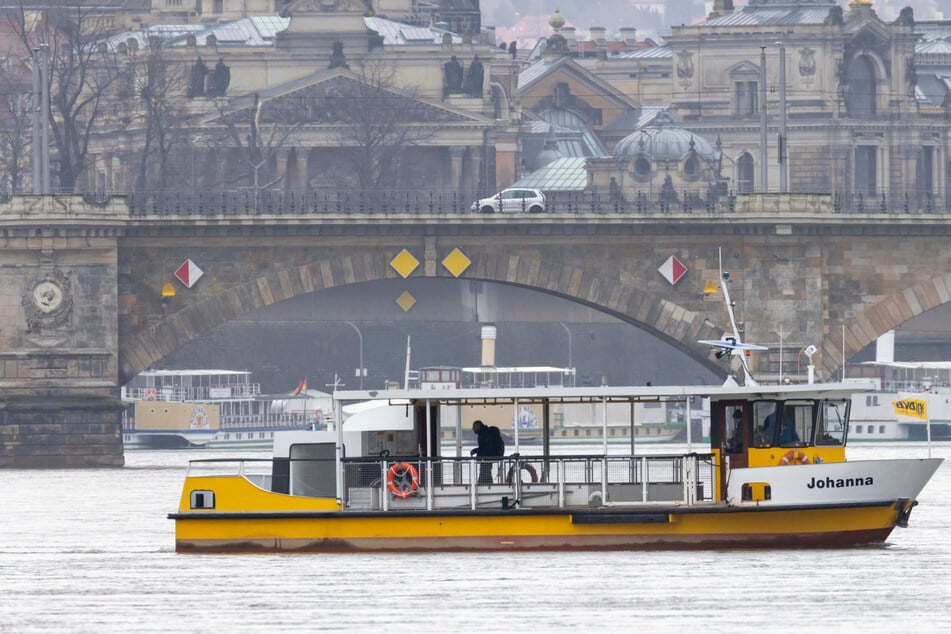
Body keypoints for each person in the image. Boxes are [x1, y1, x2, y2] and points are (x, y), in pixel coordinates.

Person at [470, 419, 504, 483]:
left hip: (487, 457)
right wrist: (476, 451)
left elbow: (485, 447)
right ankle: (486, 483)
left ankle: (484, 483)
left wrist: (479, 455)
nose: (473, 429)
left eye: (474, 427)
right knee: (486, 470)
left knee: (484, 470)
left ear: (478, 426)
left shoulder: (483, 434)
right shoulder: (486, 433)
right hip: (491, 455)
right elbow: (485, 447)